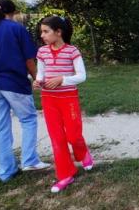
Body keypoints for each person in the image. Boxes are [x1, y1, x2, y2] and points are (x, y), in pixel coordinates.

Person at [33, 16, 93, 193]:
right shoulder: (42, 52)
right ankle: (65, 174)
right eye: (41, 32)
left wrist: (62, 79)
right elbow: (40, 74)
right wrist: (37, 81)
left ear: (58, 32)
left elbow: (82, 76)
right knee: (57, 139)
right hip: (49, 100)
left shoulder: (72, 51)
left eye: (46, 31)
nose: (42, 35)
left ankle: (83, 153)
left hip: (68, 99)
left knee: (73, 136)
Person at [0, 0, 50, 183]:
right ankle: (30, 160)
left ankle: (6, 171)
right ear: (14, 11)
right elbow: (29, 60)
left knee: (0, 127)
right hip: (14, 82)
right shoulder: (15, 28)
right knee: (28, 119)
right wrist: (37, 79)